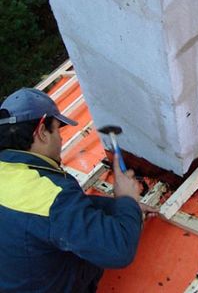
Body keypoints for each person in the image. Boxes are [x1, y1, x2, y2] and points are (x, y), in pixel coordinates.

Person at [0, 88, 154, 292]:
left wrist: (119, 207)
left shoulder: (16, 176)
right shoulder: (49, 192)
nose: (61, 140)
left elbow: (43, 213)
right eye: (58, 130)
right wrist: (126, 199)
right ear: (42, 132)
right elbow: (118, 250)